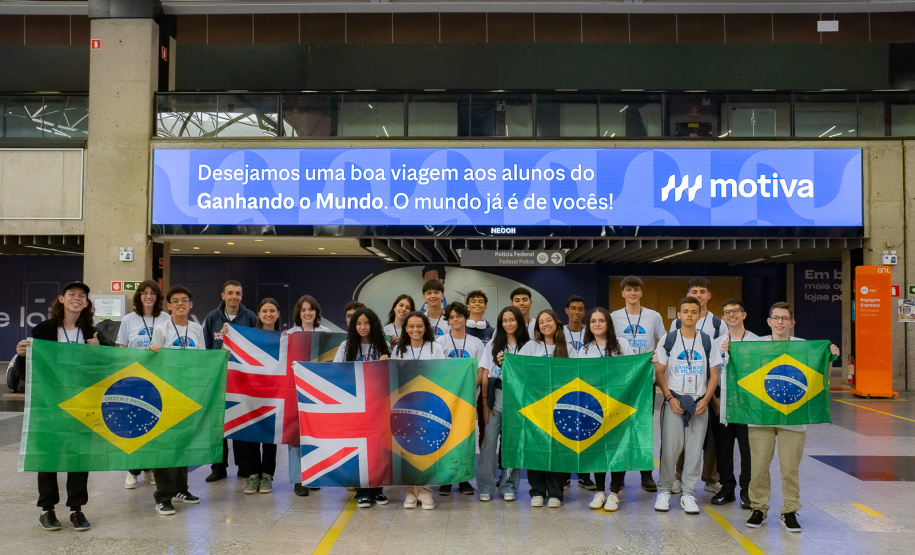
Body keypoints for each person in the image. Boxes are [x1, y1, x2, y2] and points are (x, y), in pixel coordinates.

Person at [15, 281, 112, 532]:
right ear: (61, 299)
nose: (77, 299)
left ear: (87, 303)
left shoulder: (93, 333)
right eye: (72, 295)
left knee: (79, 457)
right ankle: (47, 510)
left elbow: (110, 368)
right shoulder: (44, 330)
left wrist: (100, 352)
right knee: (49, 457)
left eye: (82, 296)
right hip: (50, 404)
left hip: (82, 405)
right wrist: (22, 356)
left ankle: (76, 509)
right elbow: (27, 373)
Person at [744, 302, 839, 533]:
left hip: (793, 418)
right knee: (758, 468)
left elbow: (818, 378)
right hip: (761, 417)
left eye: (785, 318)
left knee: (789, 469)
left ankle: (789, 511)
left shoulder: (803, 347)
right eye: (775, 318)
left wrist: (829, 358)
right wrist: (728, 351)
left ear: (792, 323)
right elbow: (739, 368)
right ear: (768, 322)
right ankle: (758, 508)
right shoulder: (755, 346)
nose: (780, 322)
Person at [654, 296, 721, 515]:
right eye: (685, 311)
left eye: (694, 311)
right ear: (679, 314)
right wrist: (669, 398)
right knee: (670, 451)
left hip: (698, 402)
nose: (690, 315)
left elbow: (713, 375)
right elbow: (660, 372)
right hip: (674, 401)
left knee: (694, 451)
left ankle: (688, 493)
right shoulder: (668, 339)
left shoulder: (708, 341)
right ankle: (664, 490)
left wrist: (706, 400)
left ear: (700, 314)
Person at [149, 285, 206, 516]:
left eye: (185, 300)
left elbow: (202, 358)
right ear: (169, 306)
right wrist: (152, 350)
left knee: (183, 440)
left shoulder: (196, 329)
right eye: (176, 301)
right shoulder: (161, 329)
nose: (181, 303)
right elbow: (154, 359)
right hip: (165, 393)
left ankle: (181, 489)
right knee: (165, 444)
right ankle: (163, 496)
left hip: (189, 391)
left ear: (191, 305)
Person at [668, 277, 725, 495]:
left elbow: (719, 359)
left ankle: (711, 478)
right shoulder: (676, 323)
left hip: (710, 386)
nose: (698, 295)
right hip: (684, 386)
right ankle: (679, 477)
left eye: (702, 291)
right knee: (684, 431)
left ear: (709, 295)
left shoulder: (718, 324)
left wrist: (713, 397)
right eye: (694, 291)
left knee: (712, 437)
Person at [609, 275, 665, 492]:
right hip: (622, 383)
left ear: (641, 293)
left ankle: (646, 474)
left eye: (636, 290)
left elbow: (664, 340)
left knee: (643, 428)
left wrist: (656, 357)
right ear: (622, 293)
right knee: (620, 427)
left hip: (645, 380)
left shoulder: (653, 316)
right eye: (628, 290)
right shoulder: (614, 317)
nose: (632, 293)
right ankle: (619, 476)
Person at [331, 307, 391, 507]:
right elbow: (335, 373)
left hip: (378, 407)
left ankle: (377, 489)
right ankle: (362, 491)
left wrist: (387, 363)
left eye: (366, 323)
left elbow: (394, 376)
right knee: (360, 450)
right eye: (358, 323)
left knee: (379, 449)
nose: (363, 327)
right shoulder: (346, 346)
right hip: (355, 406)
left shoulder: (383, 346)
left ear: (373, 325)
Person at [578, 308, 635, 511]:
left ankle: (613, 493)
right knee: (598, 449)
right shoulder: (584, 350)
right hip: (594, 408)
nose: (597, 324)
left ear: (608, 323)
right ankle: (600, 492)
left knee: (617, 449)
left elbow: (631, 371)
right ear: (589, 325)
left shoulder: (622, 345)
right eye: (593, 321)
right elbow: (580, 381)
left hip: (618, 405)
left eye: (601, 320)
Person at [518, 309, 576, 508]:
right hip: (536, 406)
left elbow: (578, 374)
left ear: (557, 323)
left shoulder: (568, 347)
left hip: (561, 407)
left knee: (557, 449)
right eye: (541, 322)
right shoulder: (531, 346)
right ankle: (537, 491)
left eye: (548, 320)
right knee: (536, 447)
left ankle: (555, 493)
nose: (544, 324)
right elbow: (518, 369)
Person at [202, 280, 259, 483]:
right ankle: (219, 467)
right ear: (223, 295)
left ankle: (243, 466)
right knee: (219, 424)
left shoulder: (250, 317)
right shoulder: (212, 318)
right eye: (230, 293)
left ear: (242, 296)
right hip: (220, 378)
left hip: (243, 379)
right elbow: (207, 348)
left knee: (241, 420)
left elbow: (256, 347)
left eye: (238, 293)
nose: (234, 296)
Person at [116, 279, 170, 490]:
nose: (149, 296)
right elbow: (121, 349)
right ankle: (132, 471)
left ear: (158, 297)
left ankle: (149, 468)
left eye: (153, 293)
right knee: (134, 425)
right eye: (144, 293)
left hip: (159, 381)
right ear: (139, 296)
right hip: (134, 380)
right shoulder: (129, 319)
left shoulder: (166, 318)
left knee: (154, 425)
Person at [391, 311, 445, 509]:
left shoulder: (435, 347)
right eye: (411, 326)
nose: (416, 330)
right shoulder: (399, 349)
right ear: (405, 329)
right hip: (405, 405)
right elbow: (394, 375)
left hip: (429, 404)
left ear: (426, 328)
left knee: (425, 447)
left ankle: (425, 491)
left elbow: (442, 373)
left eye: (419, 326)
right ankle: (409, 493)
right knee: (407, 447)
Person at [478, 306, 530, 502]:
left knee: (512, 444)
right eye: (504, 320)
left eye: (512, 320)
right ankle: (485, 486)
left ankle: (508, 485)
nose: (508, 324)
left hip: (518, 399)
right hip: (496, 397)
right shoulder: (493, 344)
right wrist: (484, 401)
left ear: (519, 321)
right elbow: (485, 374)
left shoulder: (529, 345)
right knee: (489, 442)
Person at [710, 299, 758, 509]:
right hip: (723, 396)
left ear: (744, 314)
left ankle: (747, 490)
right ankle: (726, 487)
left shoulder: (757, 341)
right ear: (723, 317)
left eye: (736, 311)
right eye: (727, 312)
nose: (732, 315)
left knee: (747, 448)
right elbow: (710, 374)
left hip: (747, 399)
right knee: (723, 446)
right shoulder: (717, 342)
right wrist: (714, 400)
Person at [435, 301, 486, 497]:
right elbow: (437, 370)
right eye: (452, 317)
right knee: (446, 438)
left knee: (465, 439)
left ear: (465, 317)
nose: (455, 320)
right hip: (446, 400)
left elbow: (481, 371)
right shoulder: (440, 342)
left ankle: (464, 479)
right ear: (448, 320)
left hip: (467, 400)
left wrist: (467, 390)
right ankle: (446, 480)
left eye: (459, 316)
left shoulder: (476, 343)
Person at [240, 298, 283, 495]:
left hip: (274, 392)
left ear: (278, 314)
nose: (268, 314)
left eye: (272, 310)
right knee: (250, 431)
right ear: (258, 314)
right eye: (264, 311)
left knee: (269, 434)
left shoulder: (284, 338)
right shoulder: (250, 337)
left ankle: (267, 474)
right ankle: (252, 474)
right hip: (251, 391)